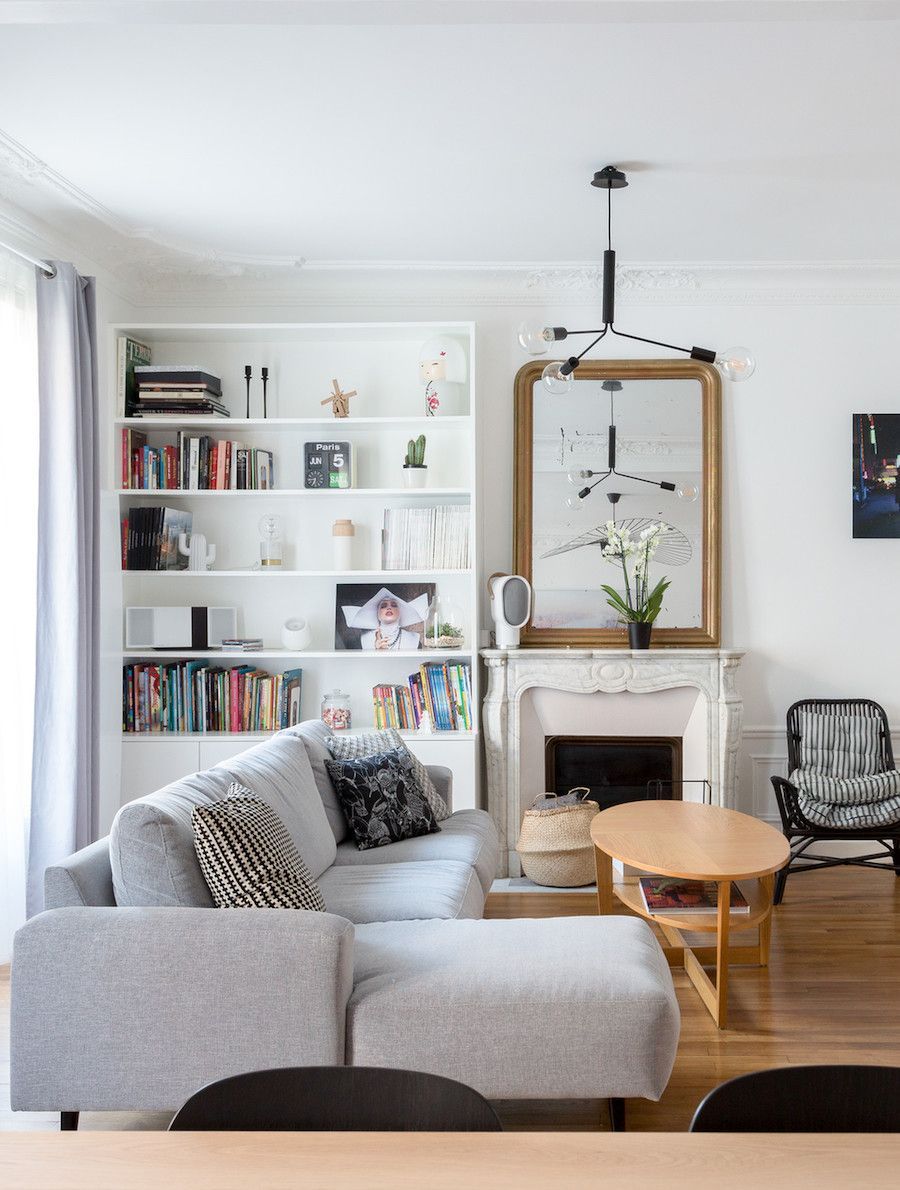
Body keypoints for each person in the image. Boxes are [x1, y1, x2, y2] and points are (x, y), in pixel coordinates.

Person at [341, 587, 430, 651]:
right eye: (383, 606)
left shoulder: (414, 640)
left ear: (400, 613)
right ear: (378, 615)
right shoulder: (361, 641)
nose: (389, 608)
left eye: (394, 605)